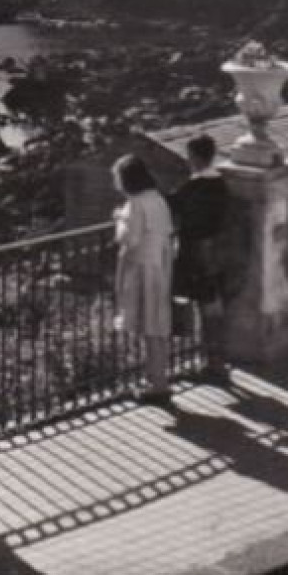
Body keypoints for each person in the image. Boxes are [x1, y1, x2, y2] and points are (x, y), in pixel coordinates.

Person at [170, 135, 233, 385]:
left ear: (195, 157)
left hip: (197, 252)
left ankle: (213, 364)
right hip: (218, 250)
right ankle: (216, 361)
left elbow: (175, 206)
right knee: (214, 306)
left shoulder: (194, 187)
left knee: (206, 308)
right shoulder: (220, 183)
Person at [112, 154, 175, 405]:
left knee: (149, 326)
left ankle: (157, 383)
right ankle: (158, 378)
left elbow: (131, 239)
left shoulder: (136, 203)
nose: (114, 181)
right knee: (157, 325)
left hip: (142, 267)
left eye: (116, 176)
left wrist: (119, 223)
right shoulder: (157, 199)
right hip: (160, 264)